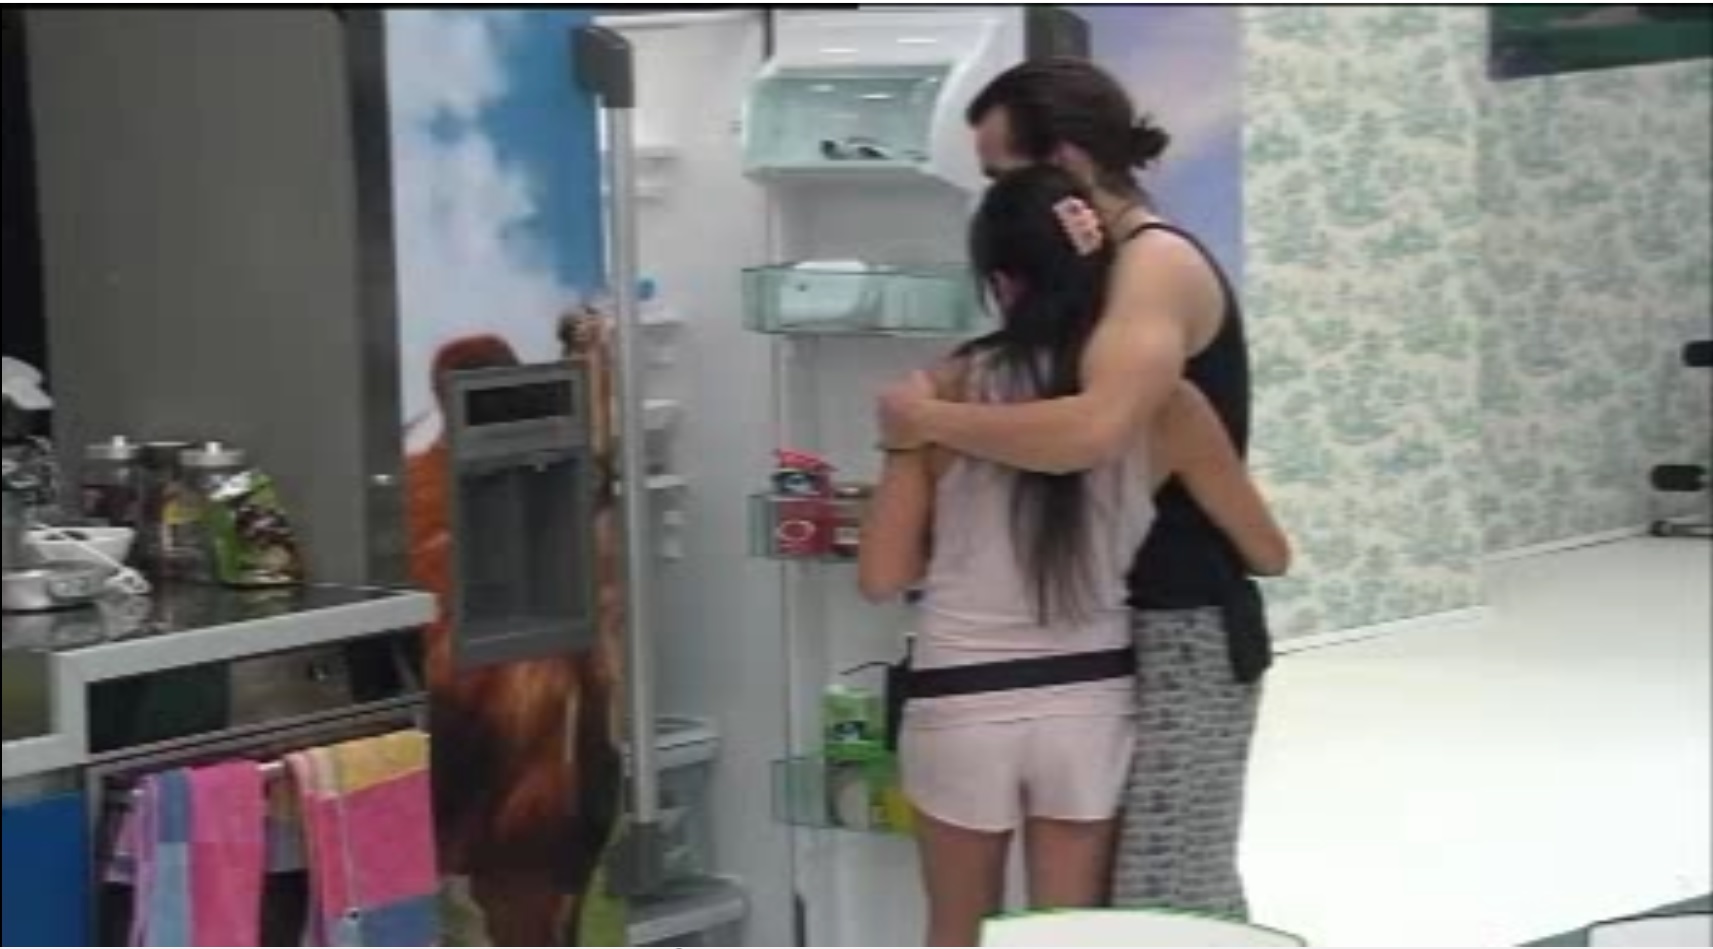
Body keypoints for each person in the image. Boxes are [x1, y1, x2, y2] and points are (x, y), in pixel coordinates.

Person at [877, 58, 1268, 919]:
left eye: (1000, 174)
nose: (996, 200)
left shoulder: (1151, 268)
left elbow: (1090, 433)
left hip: (1179, 619)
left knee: (1165, 900)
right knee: (1120, 908)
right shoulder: (1103, 284)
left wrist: (926, 422)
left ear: (1066, 161)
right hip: (1115, 626)